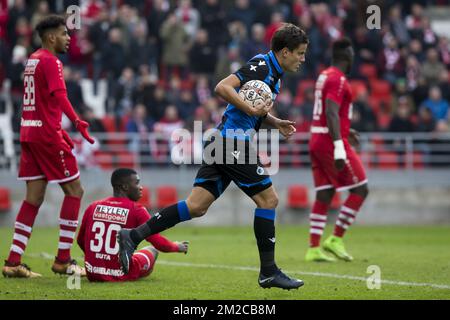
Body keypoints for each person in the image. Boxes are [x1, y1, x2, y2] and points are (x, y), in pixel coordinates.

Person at [117, 23, 308, 290]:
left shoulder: (274, 74)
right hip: (231, 143)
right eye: (300, 53)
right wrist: (252, 111)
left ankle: (132, 235)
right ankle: (268, 272)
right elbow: (223, 87)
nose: (302, 59)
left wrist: (273, 122)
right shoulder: (262, 66)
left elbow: (250, 110)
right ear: (285, 52)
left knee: (196, 206)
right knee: (269, 200)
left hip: (222, 141)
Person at [2, 16, 95, 278]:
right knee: (75, 190)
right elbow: (59, 95)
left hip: (29, 132)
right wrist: (76, 121)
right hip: (44, 134)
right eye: (65, 34)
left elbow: (43, 102)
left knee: (33, 197)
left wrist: (60, 129)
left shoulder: (33, 59)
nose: (69, 38)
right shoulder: (51, 61)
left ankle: (12, 261)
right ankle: (63, 261)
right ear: (51, 37)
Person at [305, 38, 369, 263]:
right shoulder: (339, 79)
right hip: (329, 141)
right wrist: (340, 146)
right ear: (347, 56)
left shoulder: (324, 75)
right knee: (361, 189)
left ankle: (313, 248)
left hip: (316, 137)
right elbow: (331, 112)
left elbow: (332, 113)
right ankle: (335, 239)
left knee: (325, 192)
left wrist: (346, 129)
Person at [77, 168, 189, 282]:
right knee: (152, 250)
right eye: (137, 183)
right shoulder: (137, 209)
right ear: (125, 187)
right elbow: (158, 242)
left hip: (93, 272)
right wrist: (177, 246)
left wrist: (98, 261)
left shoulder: (93, 206)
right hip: (122, 272)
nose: (141, 187)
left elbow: (80, 240)